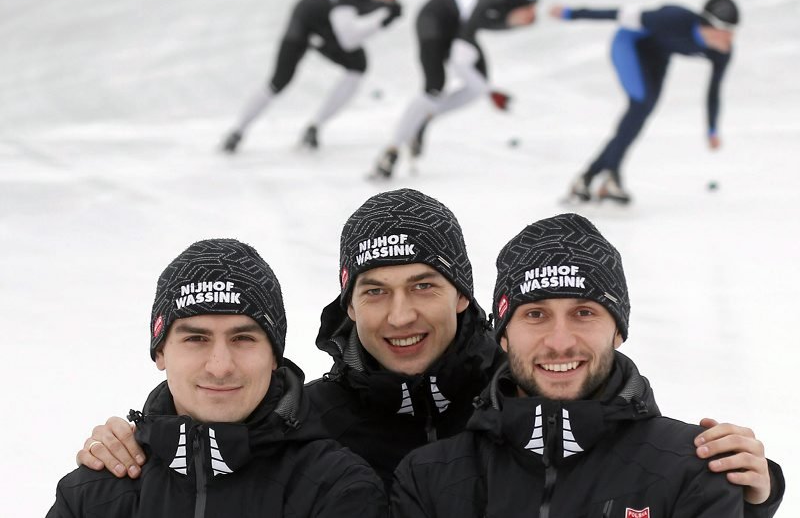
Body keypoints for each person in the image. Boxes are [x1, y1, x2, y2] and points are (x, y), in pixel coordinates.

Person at [74, 191, 781, 513]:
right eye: (374, 292)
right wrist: (138, 435)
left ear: (467, 299)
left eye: (424, 285)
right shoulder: (305, 420)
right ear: (348, 306)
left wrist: (753, 483)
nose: (401, 314)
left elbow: (623, 457)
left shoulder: (535, 380)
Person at [391, 213, 785, 517]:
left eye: (583, 313)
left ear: (618, 330)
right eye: (535, 315)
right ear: (504, 335)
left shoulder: (690, 469)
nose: (560, 342)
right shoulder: (431, 478)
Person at [48, 239, 386, 517]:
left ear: (273, 356)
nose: (220, 366)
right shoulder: (92, 497)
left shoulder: (334, 489)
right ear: (161, 352)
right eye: (196, 339)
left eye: (243, 339)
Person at [551, 0, 739, 204]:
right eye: (727, 32)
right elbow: (619, 14)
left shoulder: (722, 51)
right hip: (629, 44)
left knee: (641, 112)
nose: (730, 40)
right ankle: (609, 174)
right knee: (642, 104)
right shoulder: (672, 18)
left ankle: (588, 177)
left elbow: (713, 91)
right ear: (709, 26)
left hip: (658, 57)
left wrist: (712, 129)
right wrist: (572, 13)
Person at [369, 0, 539, 179]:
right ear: (514, 5)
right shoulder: (486, 7)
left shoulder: (506, 12)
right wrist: (491, 93)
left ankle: (423, 118)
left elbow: (471, 67)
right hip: (432, 19)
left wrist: (487, 90)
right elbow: (460, 62)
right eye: (528, 9)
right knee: (434, 88)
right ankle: (392, 150)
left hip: (456, 27)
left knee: (477, 85)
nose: (532, 16)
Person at [221, 0, 402, 153]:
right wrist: (382, 21)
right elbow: (348, 39)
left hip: (328, 26)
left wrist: (382, 16)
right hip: (305, 20)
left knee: (357, 67)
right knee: (279, 80)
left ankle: (314, 127)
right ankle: (237, 130)